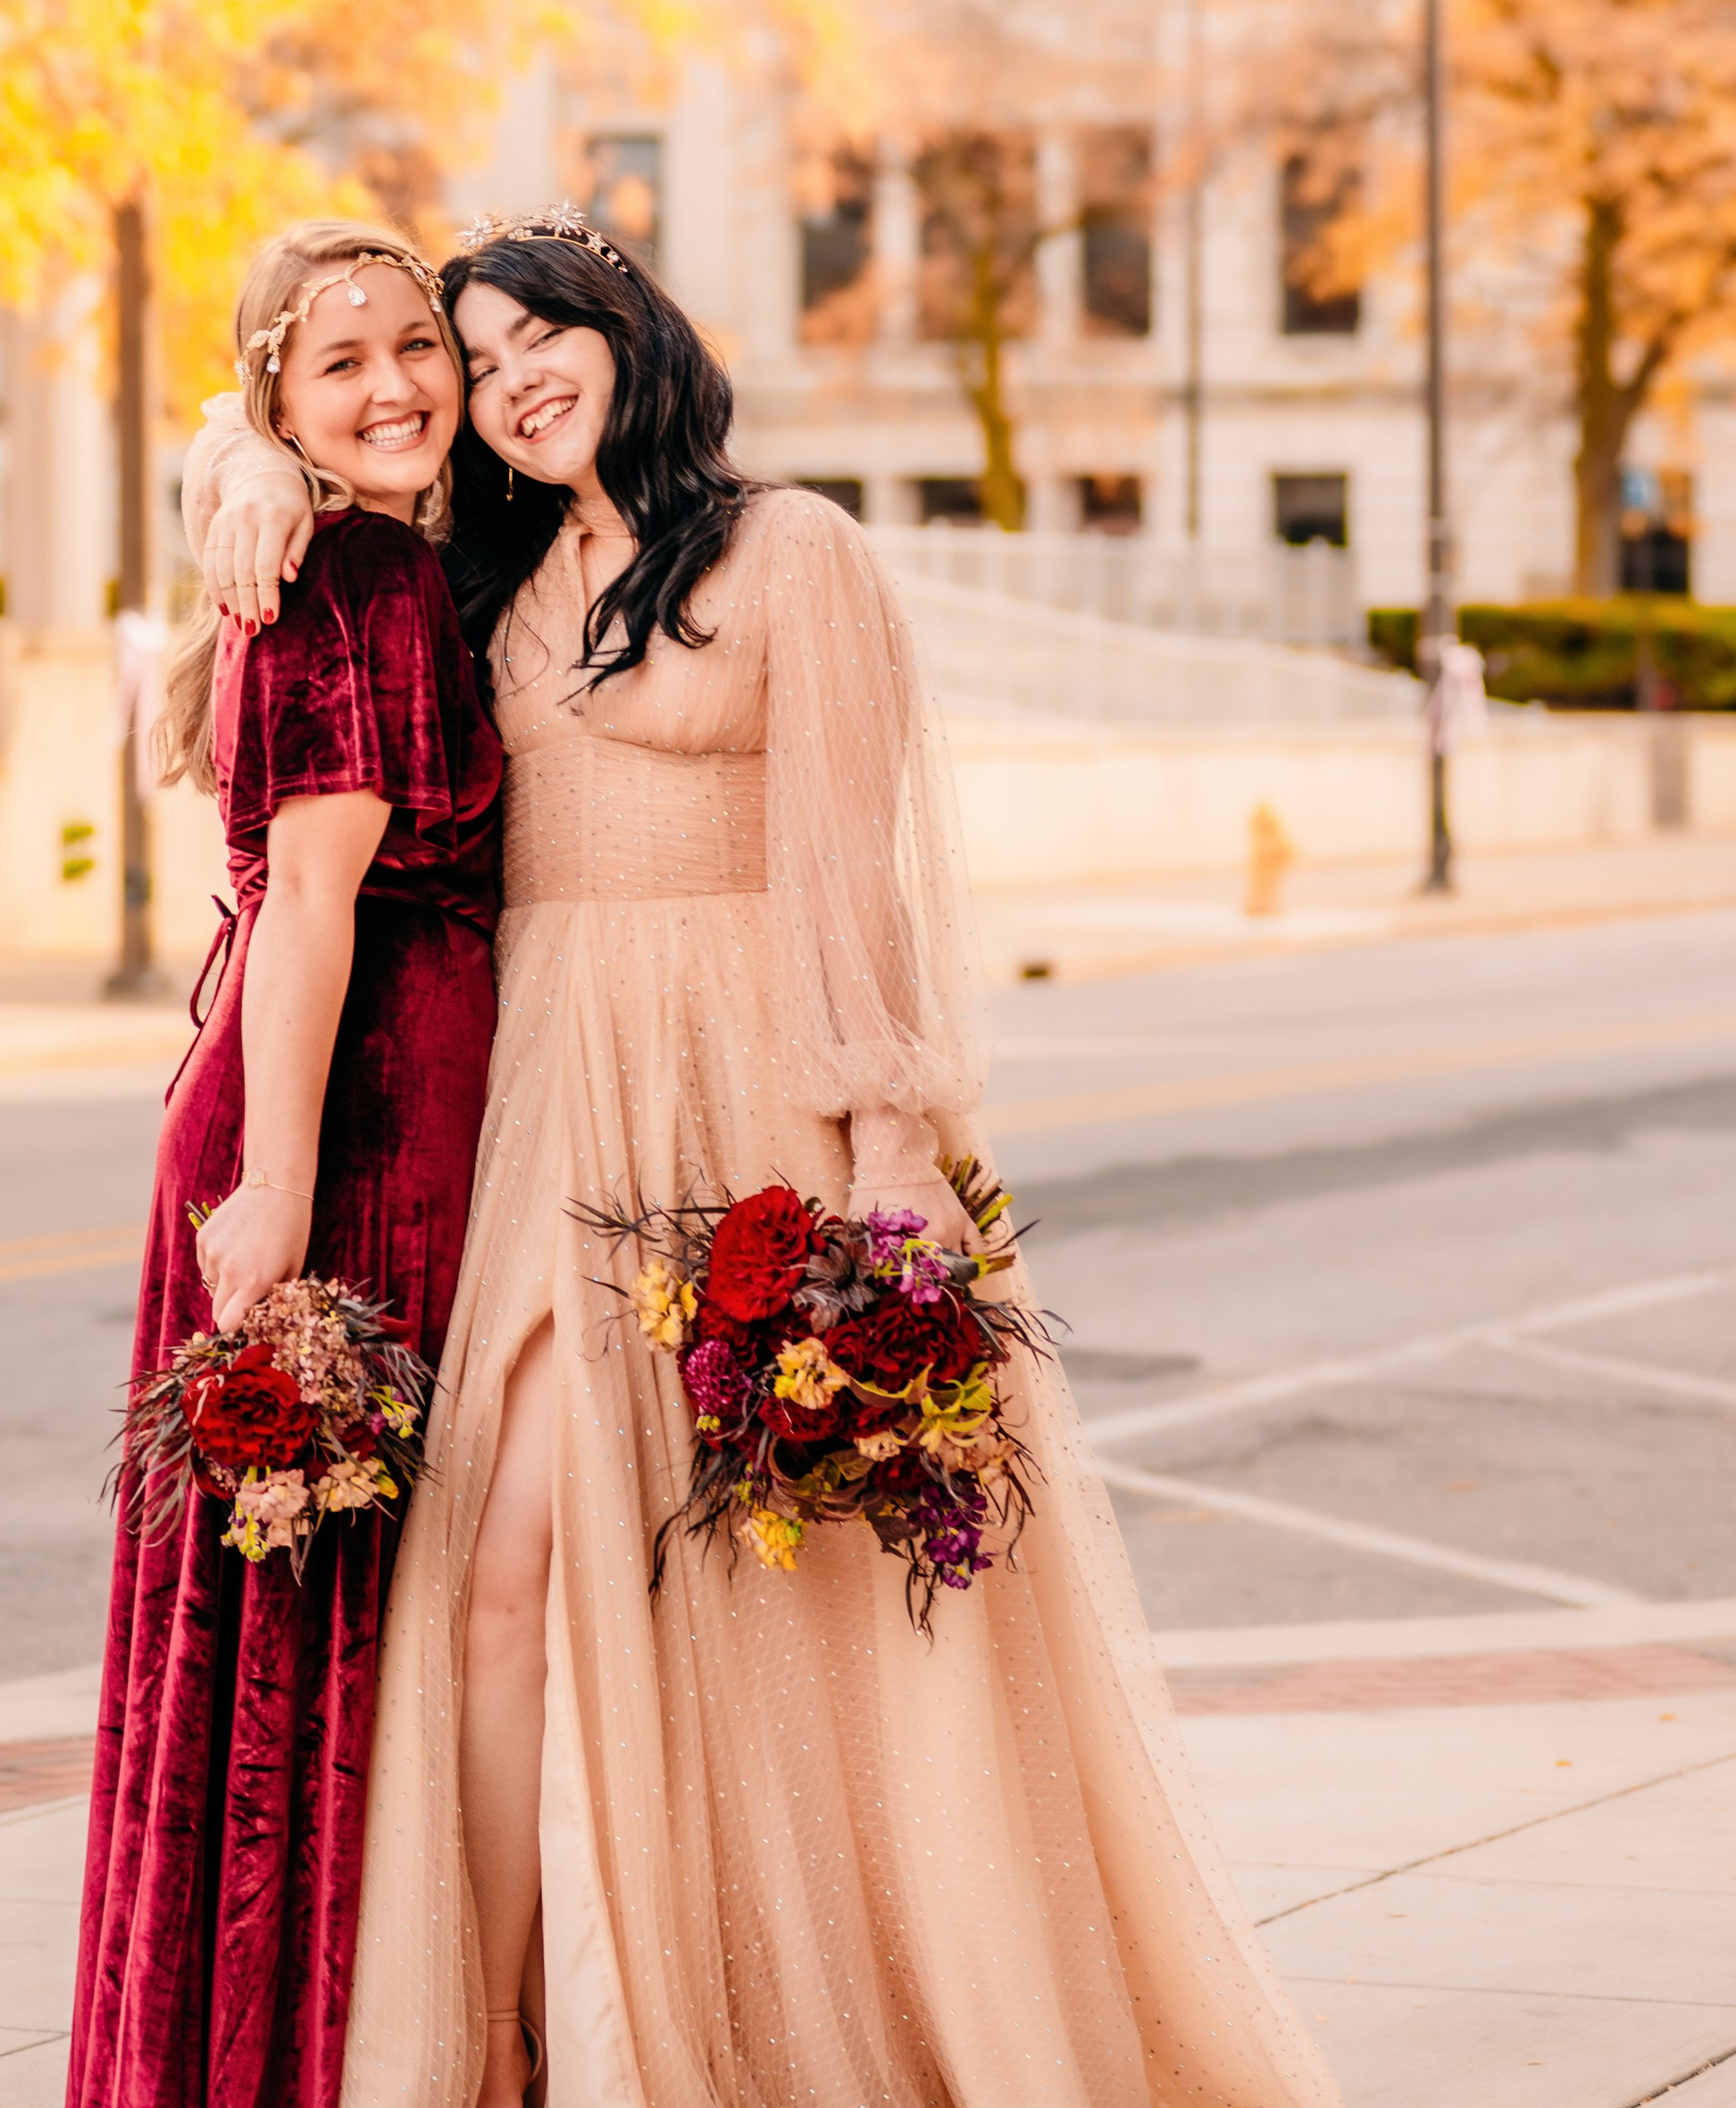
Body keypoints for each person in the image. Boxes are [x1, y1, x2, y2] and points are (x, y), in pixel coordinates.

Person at [188, 207, 1339, 2108]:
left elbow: (851, 886)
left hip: (753, 1097)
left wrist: (887, 1191)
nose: (504, 372)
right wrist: (226, 459)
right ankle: (492, 2037)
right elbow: (301, 450)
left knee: (771, 1587)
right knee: (498, 1562)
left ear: (629, 327)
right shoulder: (479, 561)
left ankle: (795, 2006)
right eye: (474, 355)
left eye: (537, 325)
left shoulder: (792, 550)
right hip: (551, 1089)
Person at [70, 222, 505, 2108]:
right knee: (319, 1595)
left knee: (294, 1592)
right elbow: (318, 904)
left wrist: (231, 454)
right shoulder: (364, 576)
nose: (397, 384)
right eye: (342, 366)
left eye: (420, 345)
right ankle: (298, 2056)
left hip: (316, 1097)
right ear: (279, 395)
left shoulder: (358, 544)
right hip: (349, 1116)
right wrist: (279, 1186)